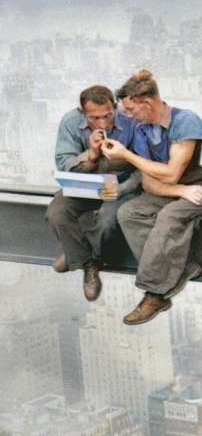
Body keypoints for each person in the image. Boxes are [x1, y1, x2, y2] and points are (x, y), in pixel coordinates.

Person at [104, 70, 202, 324]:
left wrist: (127, 155)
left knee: (170, 216)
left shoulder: (185, 122)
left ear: (147, 102)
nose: (129, 116)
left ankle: (155, 292)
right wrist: (180, 191)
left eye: (131, 109)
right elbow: (149, 179)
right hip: (178, 188)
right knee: (130, 212)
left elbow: (171, 171)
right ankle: (182, 267)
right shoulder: (143, 128)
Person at [46, 85, 140, 301]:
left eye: (108, 116)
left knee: (107, 221)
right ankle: (86, 262)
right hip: (84, 183)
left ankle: (78, 255)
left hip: (121, 185)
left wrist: (122, 188)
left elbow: (144, 166)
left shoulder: (131, 120)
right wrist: (91, 154)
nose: (103, 123)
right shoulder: (70, 122)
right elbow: (64, 163)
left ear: (114, 108)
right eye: (94, 118)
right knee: (57, 213)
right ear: (82, 113)